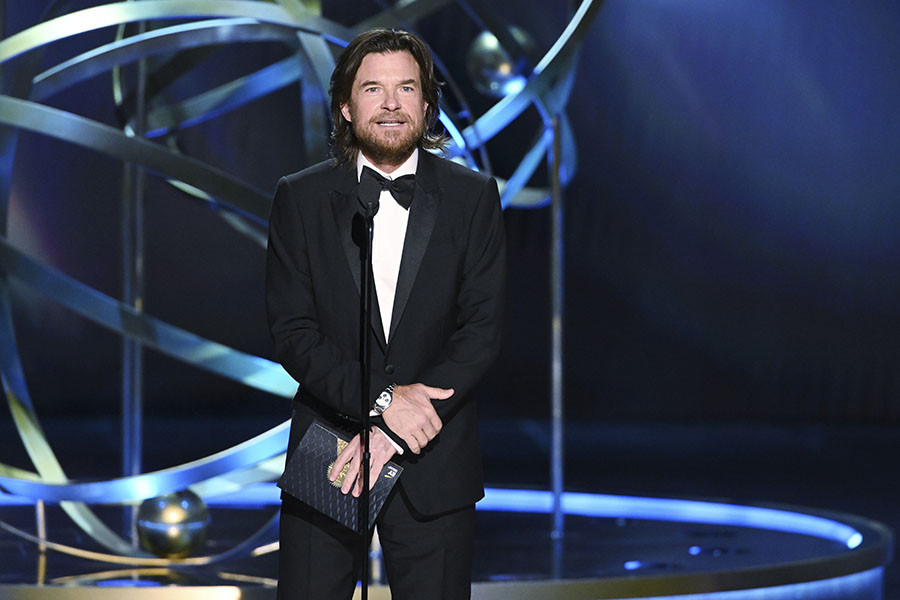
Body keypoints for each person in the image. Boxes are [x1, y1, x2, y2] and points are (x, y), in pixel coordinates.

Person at [265, 28, 506, 600]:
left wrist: (399, 425)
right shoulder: (300, 198)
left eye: (407, 88)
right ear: (346, 107)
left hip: (434, 455)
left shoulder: (473, 197)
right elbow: (293, 331)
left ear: (426, 105)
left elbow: (481, 330)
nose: (392, 103)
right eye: (374, 88)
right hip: (331, 453)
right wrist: (381, 401)